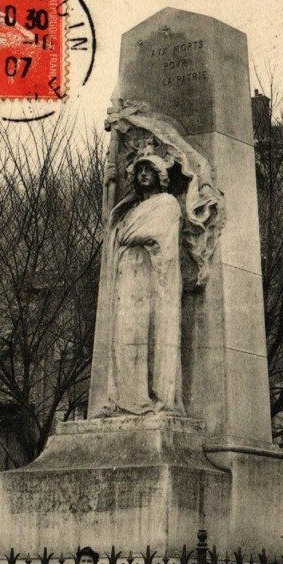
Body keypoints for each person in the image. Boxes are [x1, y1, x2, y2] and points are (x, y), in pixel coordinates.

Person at [100, 154, 185, 416]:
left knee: (142, 336)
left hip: (149, 276)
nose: (144, 174)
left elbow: (144, 234)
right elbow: (113, 230)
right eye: (140, 170)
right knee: (123, 336)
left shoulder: (167, 204)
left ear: (160, 175)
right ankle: (123, 398)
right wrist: (108, 190)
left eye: (150, 169)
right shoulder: (132, 209)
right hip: (126, 274)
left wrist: (126, 235)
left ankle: (143, 398)